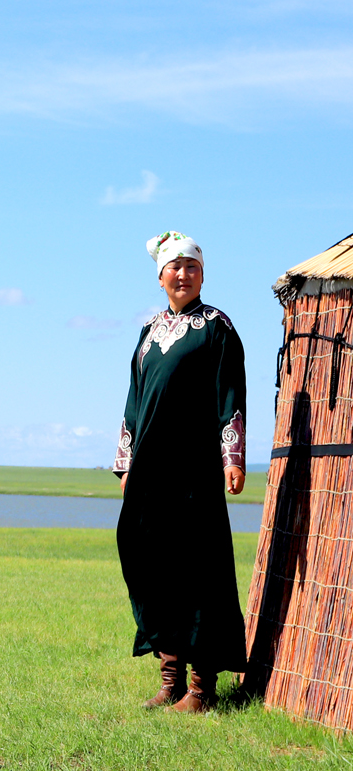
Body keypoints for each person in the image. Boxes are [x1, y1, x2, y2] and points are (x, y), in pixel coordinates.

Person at [113, 232, 247, 713]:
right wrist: (126, 463)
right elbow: (133, 400)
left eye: (192, 266)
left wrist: (232, 458)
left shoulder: (217, 328)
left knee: (199, 571)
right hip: (150, 474)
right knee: (155, 569)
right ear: (161, 276)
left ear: (203, 274)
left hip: (195, 471)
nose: (184, 274)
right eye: (175, 267)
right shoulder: (148, 331)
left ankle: (201, 687)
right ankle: (168, 679)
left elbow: (229, 394)